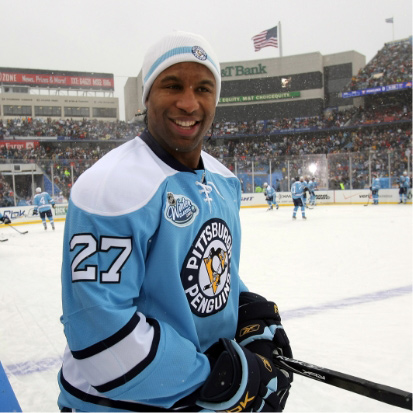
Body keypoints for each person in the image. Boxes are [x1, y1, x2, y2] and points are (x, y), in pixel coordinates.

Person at [57, 31, 293, 412]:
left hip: (196, 399)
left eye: (203, 88)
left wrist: (251, 311)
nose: (189, 102)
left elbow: (212, 268)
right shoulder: (110, 188)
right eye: (172, 85)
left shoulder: (224, 180)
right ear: (147, 96)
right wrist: (225, 382)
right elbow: (102, 337)